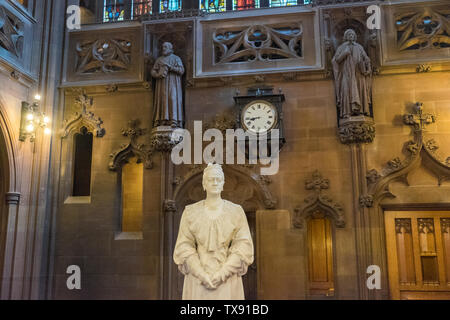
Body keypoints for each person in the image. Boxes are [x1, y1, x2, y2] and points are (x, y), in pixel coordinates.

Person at [173, 164, 254, 300]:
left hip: (227, 278)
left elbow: (243, 245)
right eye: (211, 179)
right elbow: (184, 245)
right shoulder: (190, 212)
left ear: (223, 183)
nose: (215, 182)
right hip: (198, 278)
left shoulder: (236, 211)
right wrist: (200, 273)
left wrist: (223, 273)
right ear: (204, 184)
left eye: (218, 179)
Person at [332, 29, 372, 118]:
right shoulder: (342, 47)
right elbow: (336, 60)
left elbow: (366, 58)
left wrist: (367, 66)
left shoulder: (359, 47)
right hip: (346, 73)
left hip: (358, 73)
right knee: (346, 90)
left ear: (355, 36)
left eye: (352, 34)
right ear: (345, 36)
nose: (351, 36)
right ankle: (347, 112)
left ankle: (361, 111)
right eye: (349, 34)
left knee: (360, 89)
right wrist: (345, 53)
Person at [151, 42, 185, 128]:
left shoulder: (176, 58)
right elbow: (153, 71)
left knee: (172, 98)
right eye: (163, 47)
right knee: (162, 99)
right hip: (161, 84)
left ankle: (174, 120)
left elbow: (181, 70)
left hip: (173, 84)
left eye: (165, 47)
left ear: (170, 48)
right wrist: (157, 75)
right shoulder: (159, 59)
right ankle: (162, 120)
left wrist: (171, 67)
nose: (163, 48)